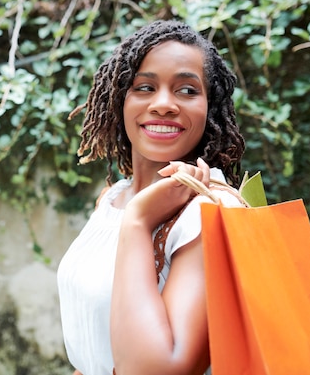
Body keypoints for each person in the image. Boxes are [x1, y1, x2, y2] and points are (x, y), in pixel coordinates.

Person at [57, 20, 246, 375]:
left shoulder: (212, 213)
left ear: (210, 106)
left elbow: (161, 368)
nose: (164, 105)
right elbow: (91, 347)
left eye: (187, 91)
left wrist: (140, 222)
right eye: (144, 87)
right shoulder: (112, 199)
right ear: (119, 100)